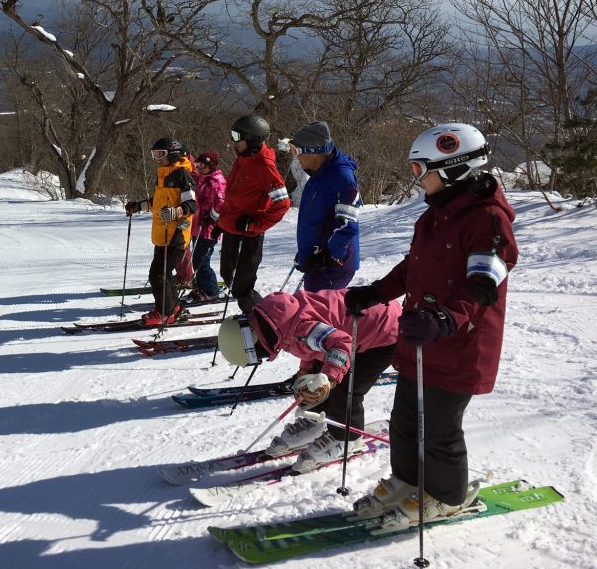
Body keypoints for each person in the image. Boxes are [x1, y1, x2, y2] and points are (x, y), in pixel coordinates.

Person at [343, 123, 517, 529]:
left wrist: (445, 318)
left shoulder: (489, 219)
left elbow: (485, 282)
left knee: (440, 429)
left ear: (455, 168)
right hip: (420, 339)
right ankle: (408, 482)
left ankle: (448, 497)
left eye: (421, 169)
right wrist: (374, 293)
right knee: (403, 419)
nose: (416, 179)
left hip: (460, 344)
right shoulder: (434, 216)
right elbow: (413, 268)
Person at [218, 288, 400, 473]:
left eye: (256, 356)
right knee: (308, 381)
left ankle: (347, 439)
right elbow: (312, 345)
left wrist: (329, 378)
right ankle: (315, 422)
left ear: (254, 343)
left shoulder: (299, 328)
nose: (261, 358)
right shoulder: (279, 321)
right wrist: (305, 370)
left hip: (383, 334)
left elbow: (340, 344)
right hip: (355, 332)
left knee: (344, 388)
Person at [215, 114, 291, 314]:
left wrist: (254, 224)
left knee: (242, 285)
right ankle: (256, 313)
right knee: (227, 275)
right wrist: (220, 222)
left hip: (250, 233)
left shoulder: (265, 166)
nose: (233, 142)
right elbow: (233, 196)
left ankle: (262, 318)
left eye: (236, 136)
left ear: (252, 139)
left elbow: (282, 203)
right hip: (231, 228)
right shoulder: (242, 160)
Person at [125, 137, 196, 327]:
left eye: (160, 154)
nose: (156, 158)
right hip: (161, 234)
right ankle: (172, 308)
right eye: (154, 154)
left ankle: (165, 313)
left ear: (172, 154)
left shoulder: (183, 175)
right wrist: (138, 206)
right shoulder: (162, 174)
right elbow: (157, 202)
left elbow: (192, 204)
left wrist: (176, 211)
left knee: (157, 274)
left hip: (177, 235)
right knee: (165, 274)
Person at [290, 121, 362, 291]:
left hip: (331, 265)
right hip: (317, 261)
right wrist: (305, 253)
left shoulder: (341, 177)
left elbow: (348, 225)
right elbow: (315, 220)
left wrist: (329, 257)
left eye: (297, 151)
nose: (296, 157)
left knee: (318, 313)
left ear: (313, 152)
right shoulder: (319, 174)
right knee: (313, 310)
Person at [184, 150, 226, 303]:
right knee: (197, 260)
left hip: (209, 229)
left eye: (202, 165)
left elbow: (222, 203)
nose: (198, 168)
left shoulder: (216, 181)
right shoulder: (203, 178)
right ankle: (202, 287)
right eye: (197, 165)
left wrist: (211, 218)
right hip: (198, 226)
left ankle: (211, 290)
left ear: (211, 165)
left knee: (201, 260)